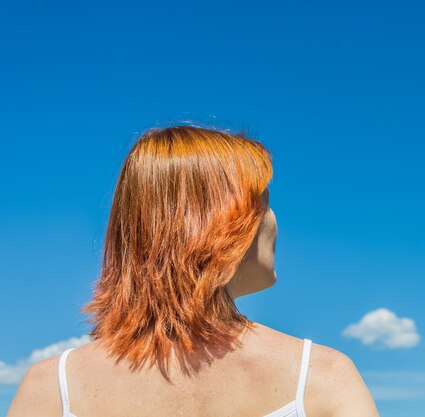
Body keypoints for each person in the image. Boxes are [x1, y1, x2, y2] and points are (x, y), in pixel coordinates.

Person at [7, 125, 380, 417]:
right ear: (220, 224)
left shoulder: (50, 389)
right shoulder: (322, 376)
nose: (274, 221)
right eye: (264, 204)